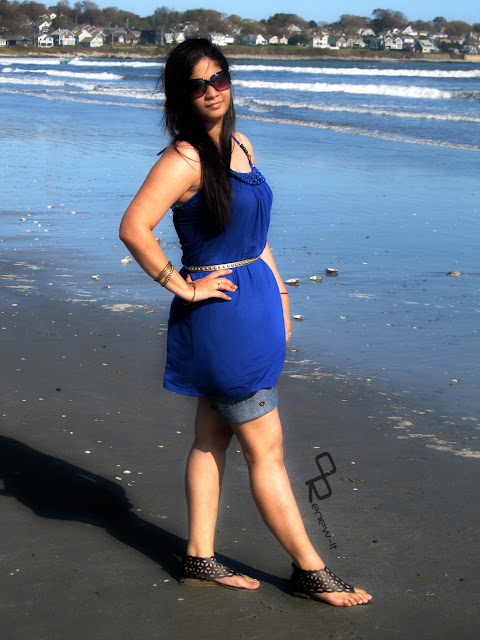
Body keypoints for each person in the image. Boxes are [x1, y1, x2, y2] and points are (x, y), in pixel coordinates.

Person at [119, 38, 372, 607]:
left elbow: (255, 238)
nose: (212, 91)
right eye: (197, 85)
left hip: (255, 304)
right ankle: (310, 570)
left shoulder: (241, 145)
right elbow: (134, 227)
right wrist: (184, 286)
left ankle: (199, 558)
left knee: (211, 437)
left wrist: (280, 294)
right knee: (266, 449)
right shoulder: (183, 160)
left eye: (220, 78)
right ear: (180, 97)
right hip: (222, 317)